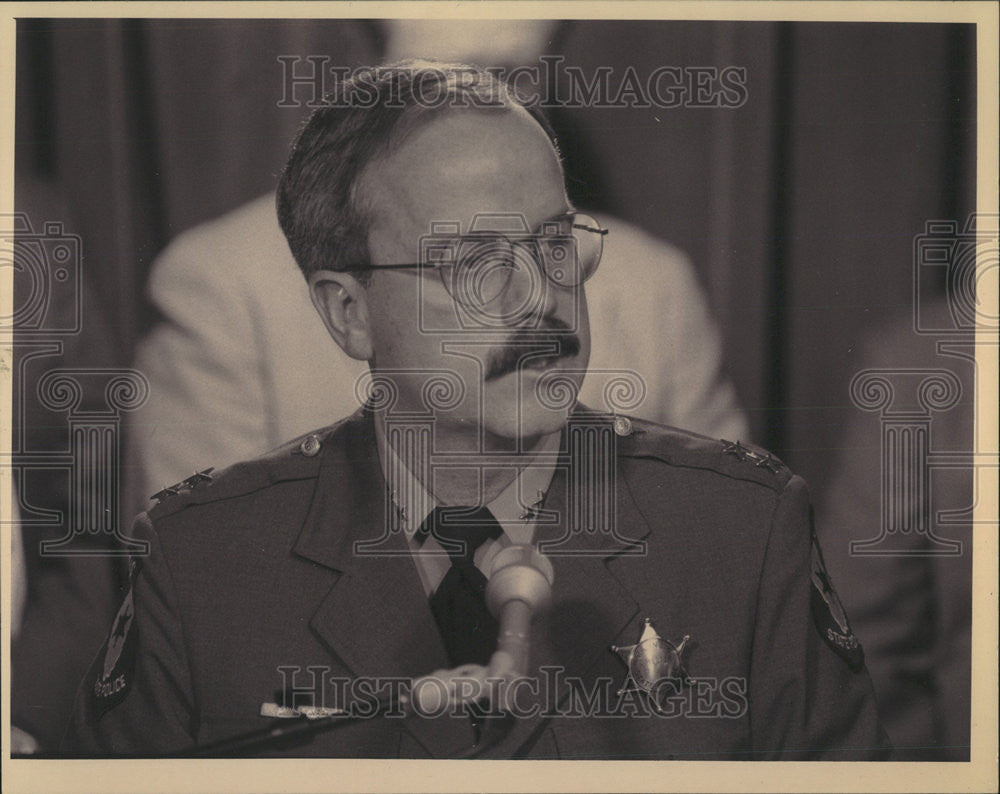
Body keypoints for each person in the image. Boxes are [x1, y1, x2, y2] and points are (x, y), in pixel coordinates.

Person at [64, 62, 889, 759]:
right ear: (348, 312)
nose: (538, 300)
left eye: (553, 242)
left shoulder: (742, 535)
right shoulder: (201, 562)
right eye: (472, 262)